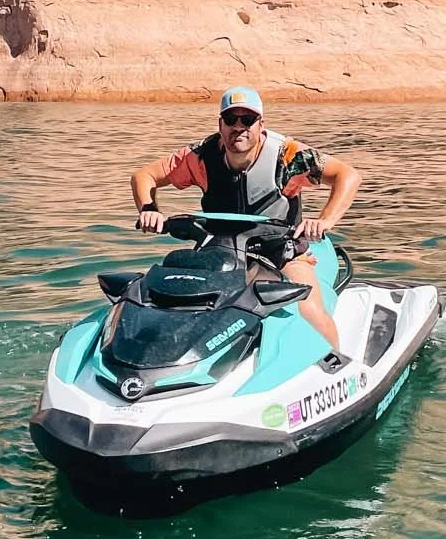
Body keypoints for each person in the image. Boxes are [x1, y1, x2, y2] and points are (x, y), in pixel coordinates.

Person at [130, 87, 361, 353]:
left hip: (282, 254)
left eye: (247, 120)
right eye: (230, 120)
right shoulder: (202, 157)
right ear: (220, 124)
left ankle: (337, 362)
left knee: (307, 309)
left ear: (261, 125)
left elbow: (348, 175)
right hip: (220, 255)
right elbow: (144, 175)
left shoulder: (288, 156)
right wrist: (148, 209)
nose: (238, 127)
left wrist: (324, 221)